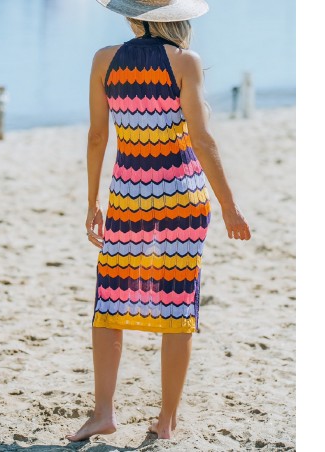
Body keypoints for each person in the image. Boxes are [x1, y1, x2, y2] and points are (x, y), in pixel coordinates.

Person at [66, 0, 251, 442]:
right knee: (177, 304)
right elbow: (202, 139)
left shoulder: (104, 60)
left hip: (128, 198)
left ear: (131, 16)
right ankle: (166, 421)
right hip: (182, 199)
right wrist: (229, 205)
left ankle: (103, 413)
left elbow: (97, 136)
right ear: (177, 18)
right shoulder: (185, 61)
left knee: (109, 302)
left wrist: (92, 202)